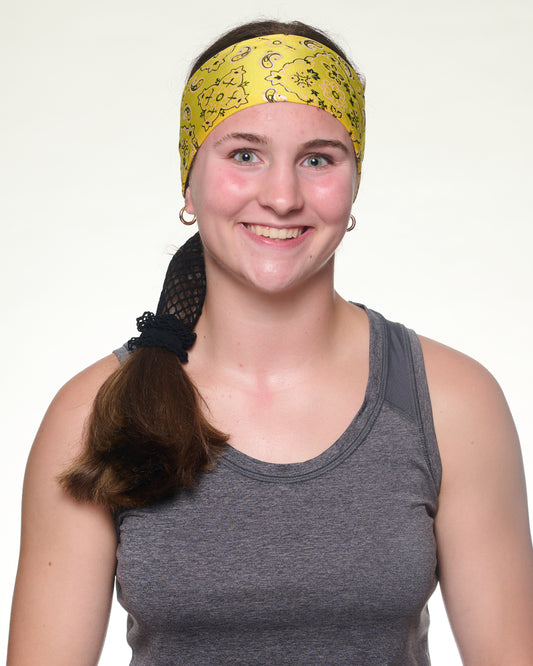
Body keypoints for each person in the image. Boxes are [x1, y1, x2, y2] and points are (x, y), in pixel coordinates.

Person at [7, 19, 533, 665]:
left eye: (317, 159)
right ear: (188, 179)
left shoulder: (452, 404)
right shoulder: (91, 416)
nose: (281, 196)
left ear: (353, 181)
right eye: (243, 154)